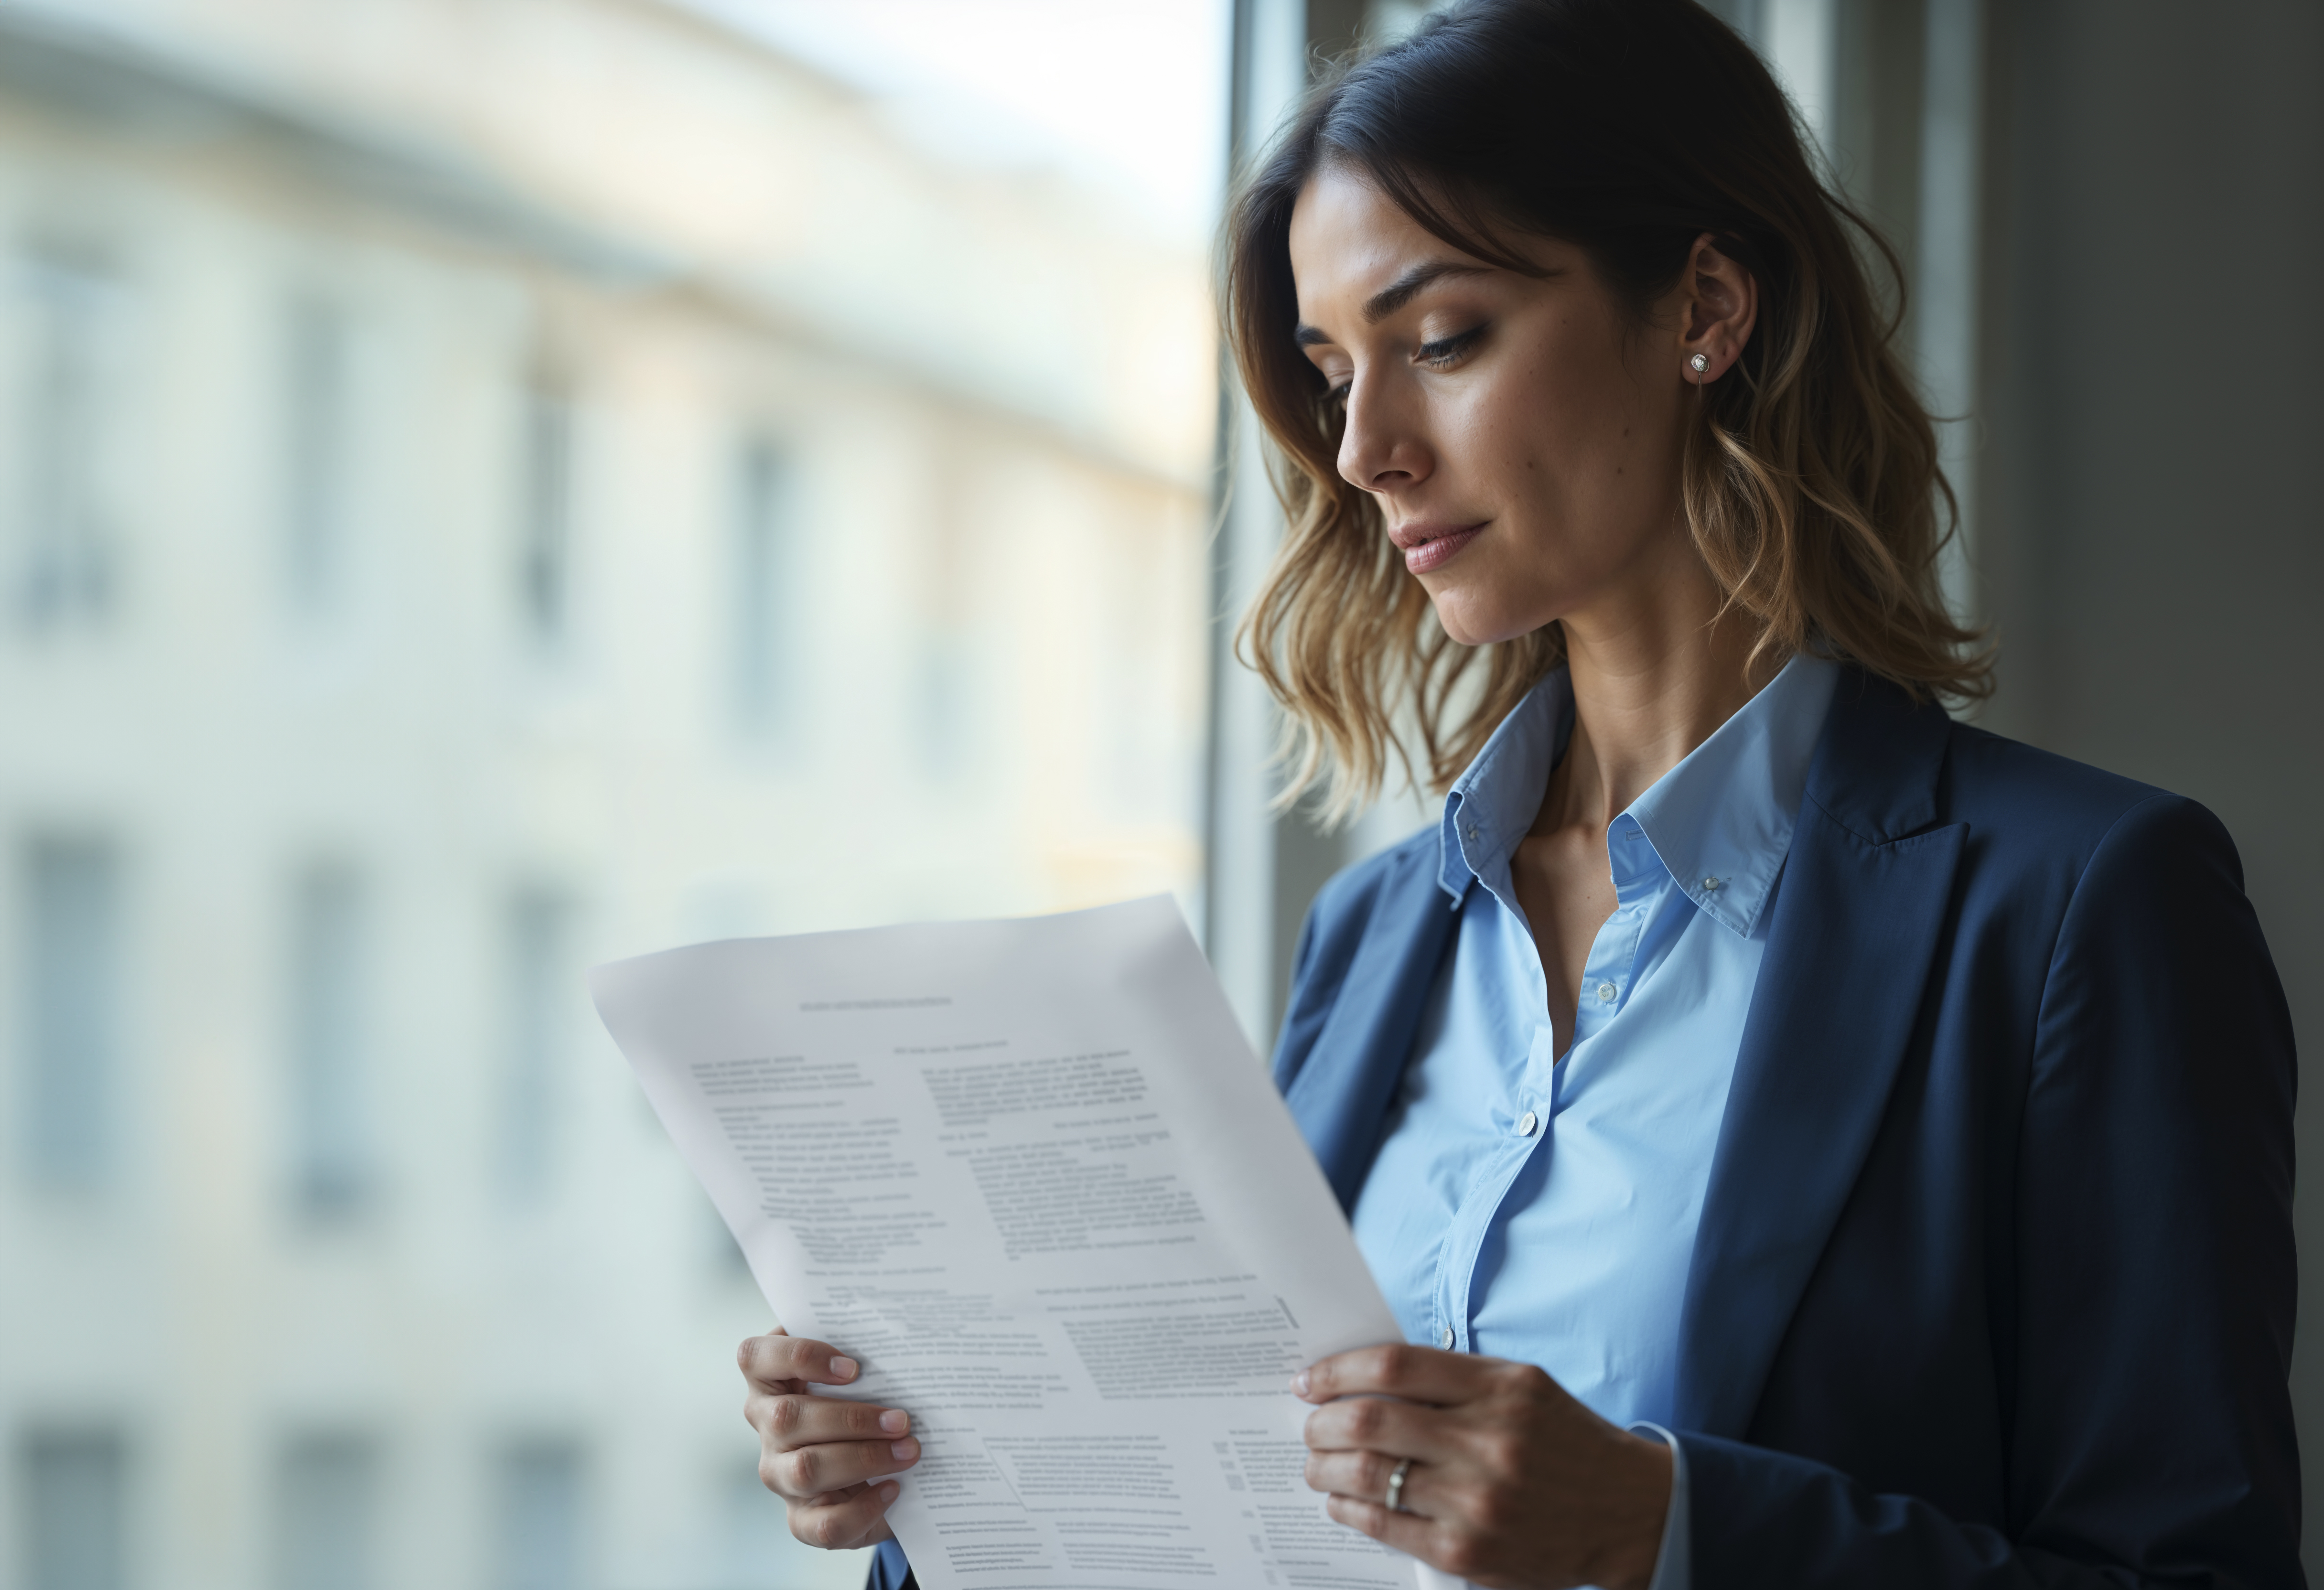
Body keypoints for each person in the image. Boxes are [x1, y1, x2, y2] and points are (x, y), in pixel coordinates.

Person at [737, 1, 2302, 1585]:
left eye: (1441, 341)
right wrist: (950, 1479)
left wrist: (1665, 1529)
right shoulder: (1375, 933)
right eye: (1332, 372)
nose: (1365, 448)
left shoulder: (2083, 906)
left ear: (1704, 308)